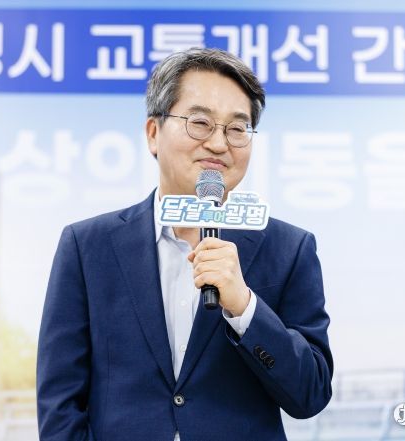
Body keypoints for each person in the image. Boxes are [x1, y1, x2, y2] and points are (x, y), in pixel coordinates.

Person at [36, 48, 333, 441]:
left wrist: (245, 308)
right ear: (153, 133)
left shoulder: (290, 249)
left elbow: (311, 393)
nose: (219, 143)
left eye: (237, 128)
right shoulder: (87, 247)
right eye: (200, 123)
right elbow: (59, 404)